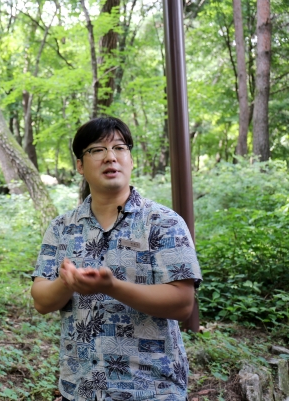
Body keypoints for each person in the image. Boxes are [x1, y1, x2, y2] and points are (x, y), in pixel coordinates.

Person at [31, 116, 202, 401]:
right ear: (80, 166)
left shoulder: (163, 222)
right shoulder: (62, 228)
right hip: (81, 389)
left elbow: (183, 304)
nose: (111, 157)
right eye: (97, 150)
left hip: (152, 390)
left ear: (131, 160)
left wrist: (112, 287)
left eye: (120, 148)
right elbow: (41, 300)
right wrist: (66, 282)